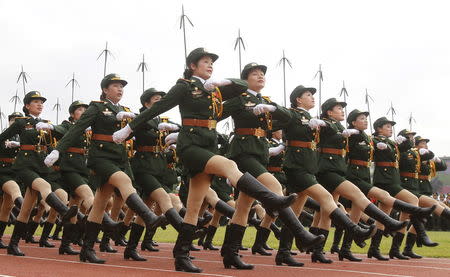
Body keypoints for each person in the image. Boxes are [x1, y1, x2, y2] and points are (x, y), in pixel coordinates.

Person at [112, 49, 298, 273]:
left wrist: (222, 82)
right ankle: (271, 199)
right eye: (205, 62)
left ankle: (181, 255)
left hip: (207, 145)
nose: (210, 65)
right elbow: (159, 108)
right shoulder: (185, 86)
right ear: (192, 66)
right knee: (229, 166)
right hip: (191, 147)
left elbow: (240, 86)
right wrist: (130, 128)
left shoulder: (214, 89)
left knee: (194, 206)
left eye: (212, 63)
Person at [44, 74, 164, 264]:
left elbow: (141, 125)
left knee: (99, 203)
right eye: (115, 86)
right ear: (105, 90)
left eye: (122, 86)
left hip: (119, 158)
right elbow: (77, 129)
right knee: (123, 181)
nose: (120, 89)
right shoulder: (97, 107)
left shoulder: (125, 110)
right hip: (100, 158)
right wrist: (58, 150)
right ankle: (148, 216)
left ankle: (87, 249)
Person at [345, 111, 435, 261]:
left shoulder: (391, 142)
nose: (390, 128)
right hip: (384, 180)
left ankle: (377, 249)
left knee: (366, 215)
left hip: (390, 179)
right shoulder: (372, 139)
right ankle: (418, 233)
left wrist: (405, 141)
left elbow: (407, 149)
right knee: (412, 200)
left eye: (391, 126)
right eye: (387, 126)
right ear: (379, 128)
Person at [0, 91, 78, 256]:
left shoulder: (45, 123)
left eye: (41, 102)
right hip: (24, 165)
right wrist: (13, 143)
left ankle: (13, 245)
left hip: (40, 166)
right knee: (44, 185)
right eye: (35, 102)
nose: (39, 104)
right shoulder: (22, 122)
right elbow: (3, 136)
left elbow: (65, 133)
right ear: (27, 106)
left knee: (27, 208)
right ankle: (64, 211)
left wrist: (52, 128)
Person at [0, 112, 24, 249]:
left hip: (14, 171)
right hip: (2, 170)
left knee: (7, 206)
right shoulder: (4, 135)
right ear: (9, 122)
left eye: (18, 120)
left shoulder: (22, 137)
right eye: (14, 120)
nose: (16, 123)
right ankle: (21, 205)